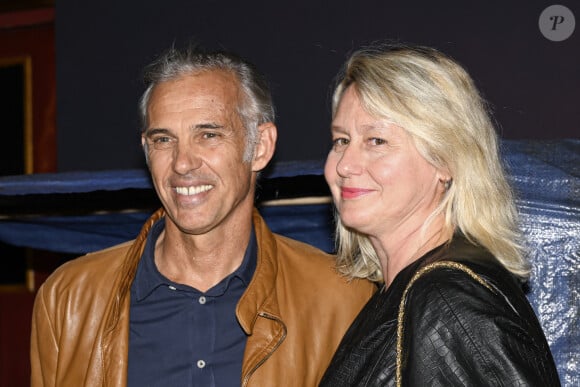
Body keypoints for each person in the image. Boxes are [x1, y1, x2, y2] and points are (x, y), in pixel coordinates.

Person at [30, 45, 376, 387]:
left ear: (260, 147)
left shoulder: (342, 300)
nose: (182, 163)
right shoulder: (68, 300)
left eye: (208, 135)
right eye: (163, 139)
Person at [319, 43, 561, 386]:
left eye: (376, 141)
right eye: (342, 140)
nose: (344, 165)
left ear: (445, 160)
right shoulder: (406, 293)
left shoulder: (447, 300)